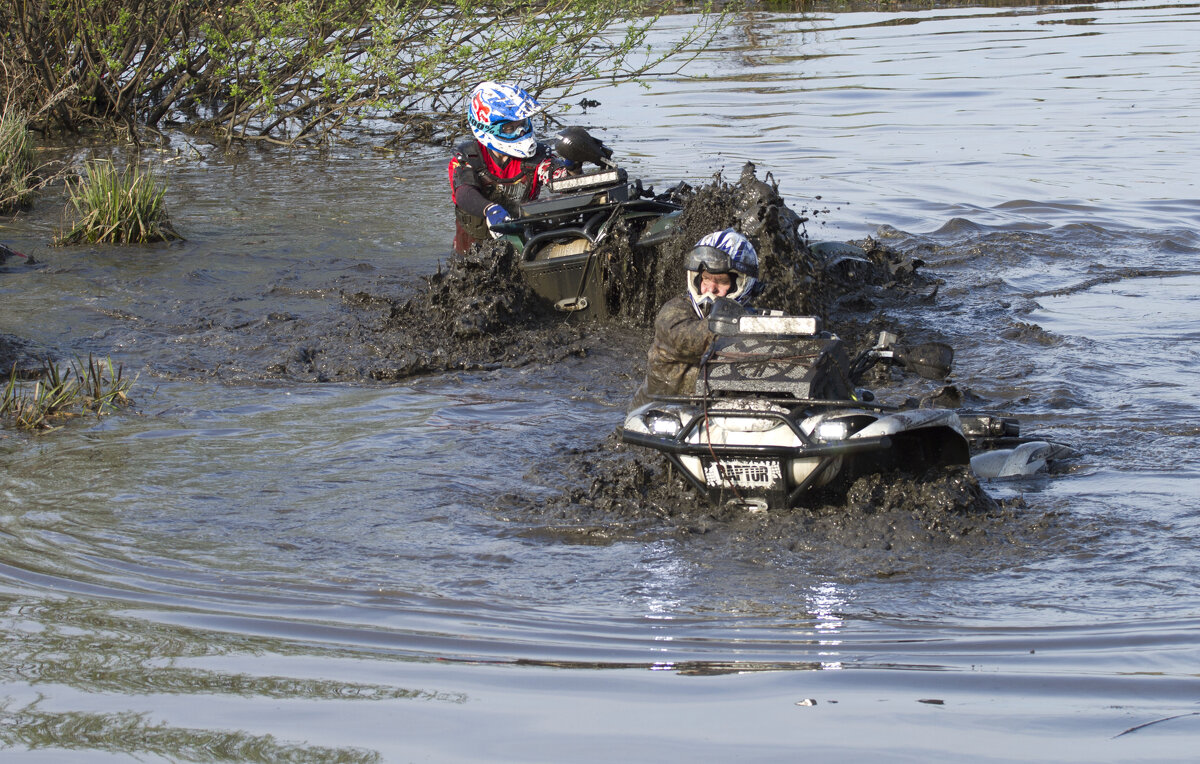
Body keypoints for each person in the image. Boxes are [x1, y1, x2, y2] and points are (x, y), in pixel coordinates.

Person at [629, 228, 763, 410]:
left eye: (722, 282)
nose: (710, 289)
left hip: (712, 417)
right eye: (706, 279)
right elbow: (687, 340)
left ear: (740, 285)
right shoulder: (673, 311)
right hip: (658, 417)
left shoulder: (750, 317)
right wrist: (748, 328)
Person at [448, 81, 574, 254]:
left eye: (523, 124)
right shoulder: (467, 157)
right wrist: (490, 209)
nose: (520, 132)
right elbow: (464, 193)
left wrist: (573, 167)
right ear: (487, 128)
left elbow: (557, 176)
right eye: (509, 128)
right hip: (473, 250)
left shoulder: (537, 156)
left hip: (523, 240)